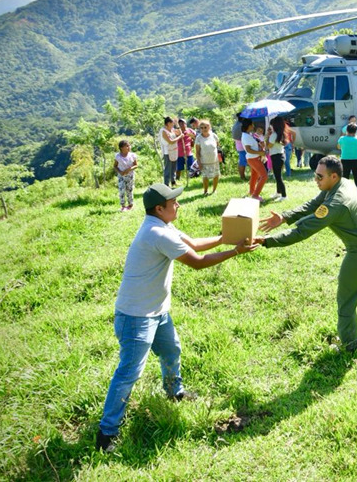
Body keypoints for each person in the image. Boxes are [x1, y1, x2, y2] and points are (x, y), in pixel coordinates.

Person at [95, 184, 258, 453]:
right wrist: (235, 252)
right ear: (160, 208)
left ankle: (174, 392)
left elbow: (193, 243)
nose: (178, 205)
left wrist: (225, 239)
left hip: (156, 311)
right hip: (136, 316)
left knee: (171, 350)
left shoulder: (162, 226)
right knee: (129, 373)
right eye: (174, 202)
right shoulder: (157, 233)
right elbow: (197, 261)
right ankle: (106, 433)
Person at [255, 156, 357, 351]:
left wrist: (267, 241)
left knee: (346, 301)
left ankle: (350, 347)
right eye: (315, 175)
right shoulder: (343, 183)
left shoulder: (335, 204)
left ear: (333, 176)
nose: (316, 180)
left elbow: (302, 231)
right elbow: (313, 204)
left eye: (319, 177)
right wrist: (285, 217)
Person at [241, 119, 267, 201]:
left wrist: (260, 145)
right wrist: (260, 152)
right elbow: (248, 149)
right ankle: (255, 195)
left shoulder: (248, 134)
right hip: (253, 158)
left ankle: (252, 191)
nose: (253, 126)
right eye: (252, 124)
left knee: (254, 176)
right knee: (264, 176)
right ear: (248, 126)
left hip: (253, 158)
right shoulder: (246, 136)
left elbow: (253, 145)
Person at [193, 120, 220, 196]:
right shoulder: (198, 138)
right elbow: (197, 152)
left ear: (209, 127)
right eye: (201, 128)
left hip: (214, 160)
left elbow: (218, 146)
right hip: (204, 161)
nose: (203, 129)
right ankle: (205, 191)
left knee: (216, 175)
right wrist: (199, 162)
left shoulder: (214, 136)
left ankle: (214, 190)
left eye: (205, 127)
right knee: (205, 177)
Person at [337, 122, 357, 193]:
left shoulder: (342, 139)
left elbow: (338, 147)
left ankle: (344, 195)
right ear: (356, 131)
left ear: (347, 130)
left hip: (345, 160)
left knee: (344, 180)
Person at [113, 140, 138, 211]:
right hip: (121, 176)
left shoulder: (132, 155)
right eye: (126, 146)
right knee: (122, 190)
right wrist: (120, 172)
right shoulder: (118, 156)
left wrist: (129, 169)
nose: (129, 147)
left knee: (129, 190)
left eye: (129, 145)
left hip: (130, 176)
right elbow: (115, 166)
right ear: (121, 148)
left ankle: (130, 205)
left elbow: (136, 165)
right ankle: (123, 206)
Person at [267, 117, 288, 200]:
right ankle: (278, 192)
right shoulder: (281, 134)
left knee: (278, 177)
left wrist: (268, 136)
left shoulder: (274, 135)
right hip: (280, 156)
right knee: (277, 175)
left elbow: (269, 146)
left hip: (276, 156)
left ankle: (284, 195)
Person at [159, 117, 182, 187]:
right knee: (168, 168)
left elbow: (179, 132)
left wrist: (177, 125)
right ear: (168, 123)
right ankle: (166, 184)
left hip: (174, 150)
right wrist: (180, 137)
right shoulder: (163, 131)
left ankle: (173, 182)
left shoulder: (172, 130)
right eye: (172, 123)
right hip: (167, 152)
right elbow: (170, 141)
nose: (173, 124)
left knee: (173, 168)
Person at [175, 119, 195, 183]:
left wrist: (192, 140)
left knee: (191, 168)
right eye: (180, 123)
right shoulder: (177, 131)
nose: (182, 125)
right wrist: (179, 135)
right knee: (179, 168)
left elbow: (195, 136)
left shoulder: (190, 130)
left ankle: (192, 180)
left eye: (183, 123)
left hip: (189, 152)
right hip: (179, 153)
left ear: (186, 124)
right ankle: (177, 180)